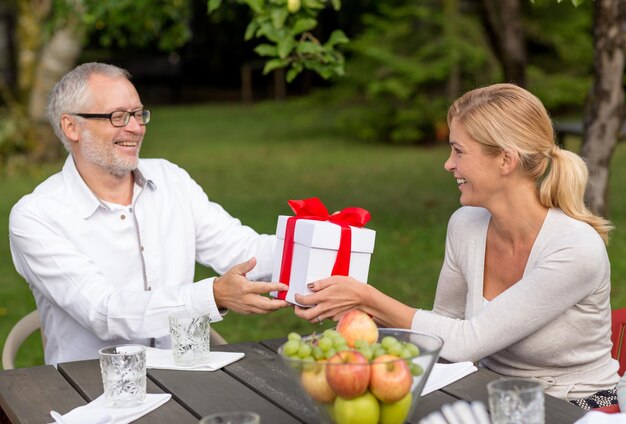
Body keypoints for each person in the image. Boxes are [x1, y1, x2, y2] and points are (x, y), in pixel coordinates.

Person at [294, 83, 620, 407]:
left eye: (459, 151)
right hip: (491, 396)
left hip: (575, 406)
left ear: (505, 160)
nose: (448, 164)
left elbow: (468, 341)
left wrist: (367, 296)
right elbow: (443, 329)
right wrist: (357, 307)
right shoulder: (466, 224)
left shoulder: (575, 249)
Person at [9, 62, 289, 365]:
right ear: (71, 126)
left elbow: (244, 251)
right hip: (89, 392)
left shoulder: (171, 179)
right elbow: (105, 313)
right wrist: (214, 295)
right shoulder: (37, 216)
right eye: (118, 116)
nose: (136, 127)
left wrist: (329, 240)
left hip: (186, 376)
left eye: (138, 113)